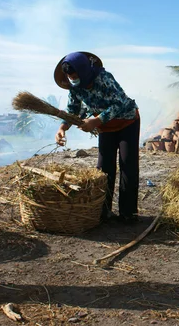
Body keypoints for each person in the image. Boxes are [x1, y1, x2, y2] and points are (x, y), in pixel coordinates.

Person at [54, 51, 141, 224]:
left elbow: (120, 103)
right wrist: (62, 127)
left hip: (127, 121)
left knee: (127, 164)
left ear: (84, 71)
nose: (73, 79)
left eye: (75, 75)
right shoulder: (75, 88)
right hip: (105, 127)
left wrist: (96, 120)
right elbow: (73, 109)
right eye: (70, 77)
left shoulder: (104, 78)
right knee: (104, 168)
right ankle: (103, 211)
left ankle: (128, 213)